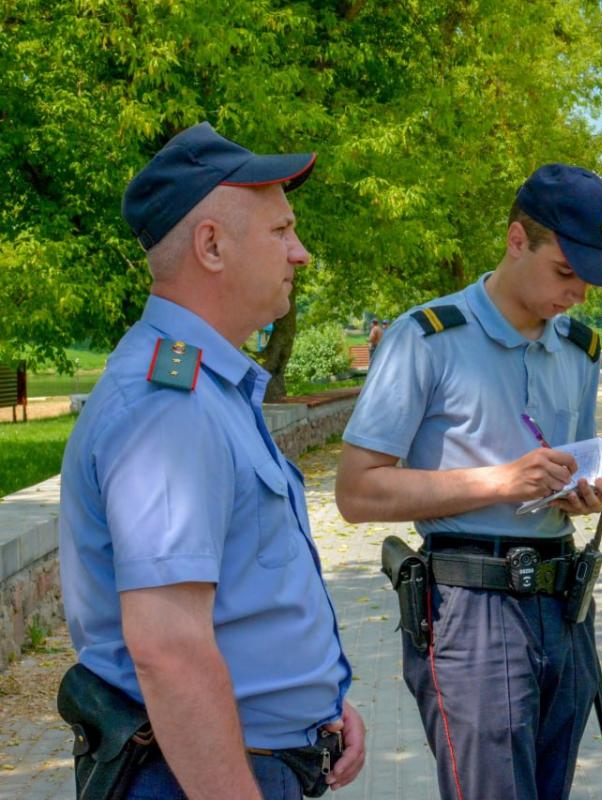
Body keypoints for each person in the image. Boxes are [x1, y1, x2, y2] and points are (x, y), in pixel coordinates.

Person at [58, 122, 365, 799]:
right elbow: (169, 649)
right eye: (281, 231)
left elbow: (242, 589)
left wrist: (314, 703)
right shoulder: (168, 406)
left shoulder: (206, 389)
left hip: (241, 758)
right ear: (212, 246)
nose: (301, 253)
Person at [335, 163, 602, 800]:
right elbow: (356, 492)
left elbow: (569, 471)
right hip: (471, 607)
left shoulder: (581, 350)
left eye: (590, 279)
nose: (577, 294)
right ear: (517, 240)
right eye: (565, 272)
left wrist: (583, 494)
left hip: (564, 602)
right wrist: (501, 482)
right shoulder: (426, 339)